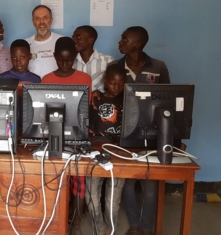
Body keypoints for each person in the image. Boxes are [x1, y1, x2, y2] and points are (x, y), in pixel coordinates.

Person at [114, 26, 170, 235]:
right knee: (128, 184)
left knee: (150, 186)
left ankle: (147, 228)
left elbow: (168, 101)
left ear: (137, 44)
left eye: (124, 39)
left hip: (152, 134)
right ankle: (134, 226)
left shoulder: (158, 67)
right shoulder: (116, 67)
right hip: (125, 135)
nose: (120, 42)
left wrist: (173, 137)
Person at [41, 37, 92, 228]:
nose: (64, 64)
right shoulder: (47, 79)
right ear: (54, 56)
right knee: (55, 175)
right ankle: (57, 215)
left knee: (79, 176)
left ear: (75, 57)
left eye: (69, 60)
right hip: (53, 134)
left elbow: (86, 111)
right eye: (60, 60)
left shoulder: (84, 79)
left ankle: (77, 219)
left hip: (78, 136)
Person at [86, 64, 127, 235]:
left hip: (120, 153)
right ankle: (99, 227)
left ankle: (110, 229)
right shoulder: (96, 99)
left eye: (120, 84)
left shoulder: (129, 101)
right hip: (96, 151)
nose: (116, 88)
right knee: (92, 195)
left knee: (113, 197)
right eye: (112, 83)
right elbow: (87, 125)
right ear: (105, 81)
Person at [72, 25, 113, 92]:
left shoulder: (107, 61)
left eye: (78, 38)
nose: (74, 41)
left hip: (100, 102)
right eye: (73, 38)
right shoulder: (70, 62)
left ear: (90, 40)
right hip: (75, 101)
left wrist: (100, 94)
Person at [25, 5, 63, 78]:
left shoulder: (62, 41)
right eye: (37, 18)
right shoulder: (25, 45)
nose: (41, 22)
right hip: (33, 88)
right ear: (33, 21)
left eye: (45, 18)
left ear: (51, 20)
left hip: (58, 88)